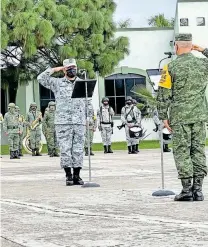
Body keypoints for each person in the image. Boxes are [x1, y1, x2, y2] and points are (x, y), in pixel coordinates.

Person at [157, 33, 208, 201]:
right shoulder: (203, 64)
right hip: (200, 116)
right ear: (191, 46)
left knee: (182, 152)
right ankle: (198, 190)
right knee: (198, 150)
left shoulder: (170, 67)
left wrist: (164, 116)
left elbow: (164, 95)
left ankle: (187, 190)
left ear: (176, 47)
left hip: (179, 118)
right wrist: (202, 50)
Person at [37, 58, 92, 186]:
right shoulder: (57, 83)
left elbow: (88, 102)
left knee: (78, 149)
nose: (72, 70)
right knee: (65, 149)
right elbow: (40, 78)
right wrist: (55, 69)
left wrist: (90, 118)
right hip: (63, 122)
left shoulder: (82, 83)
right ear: (64, 70)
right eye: (69, 68)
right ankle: (68, 175)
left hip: (79, 122)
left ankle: (77, 175)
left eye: (74, 67)